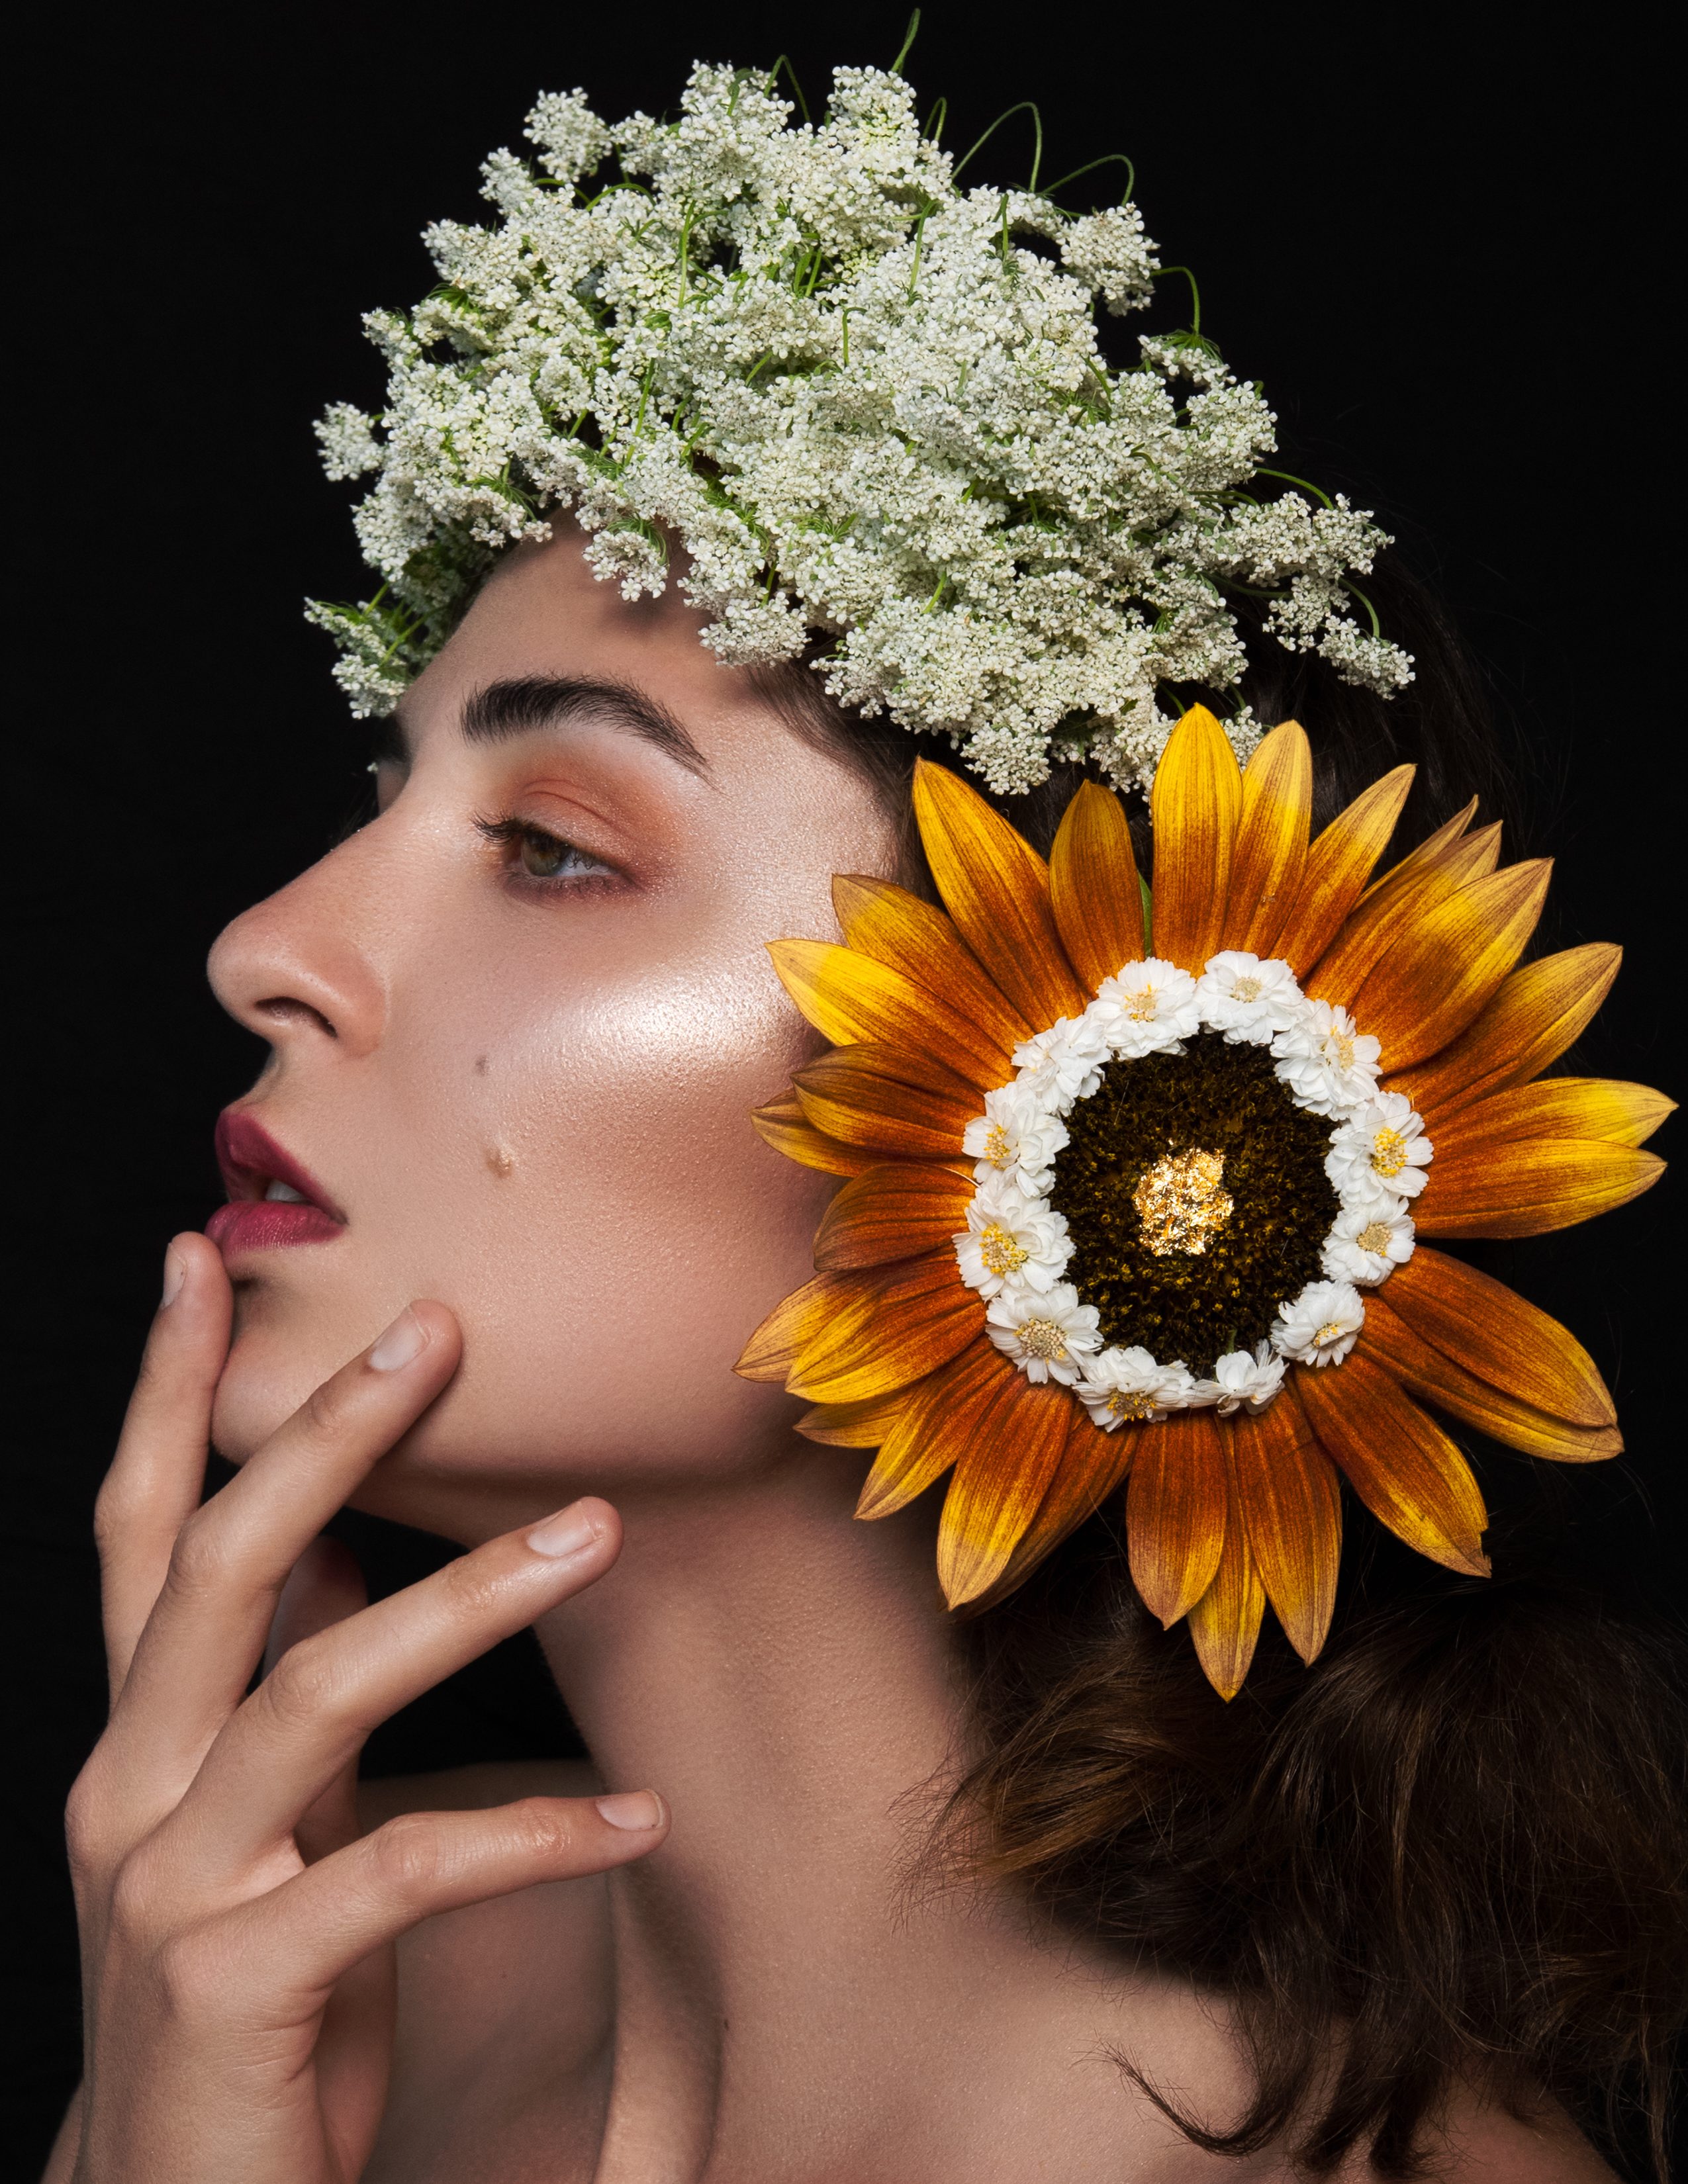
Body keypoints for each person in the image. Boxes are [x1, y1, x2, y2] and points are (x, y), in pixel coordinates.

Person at [47, 51, 1683, 2184]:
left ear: (1091, 1092)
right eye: (385, 795)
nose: (266, 944)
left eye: (550, 842)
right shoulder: (291, 1973)